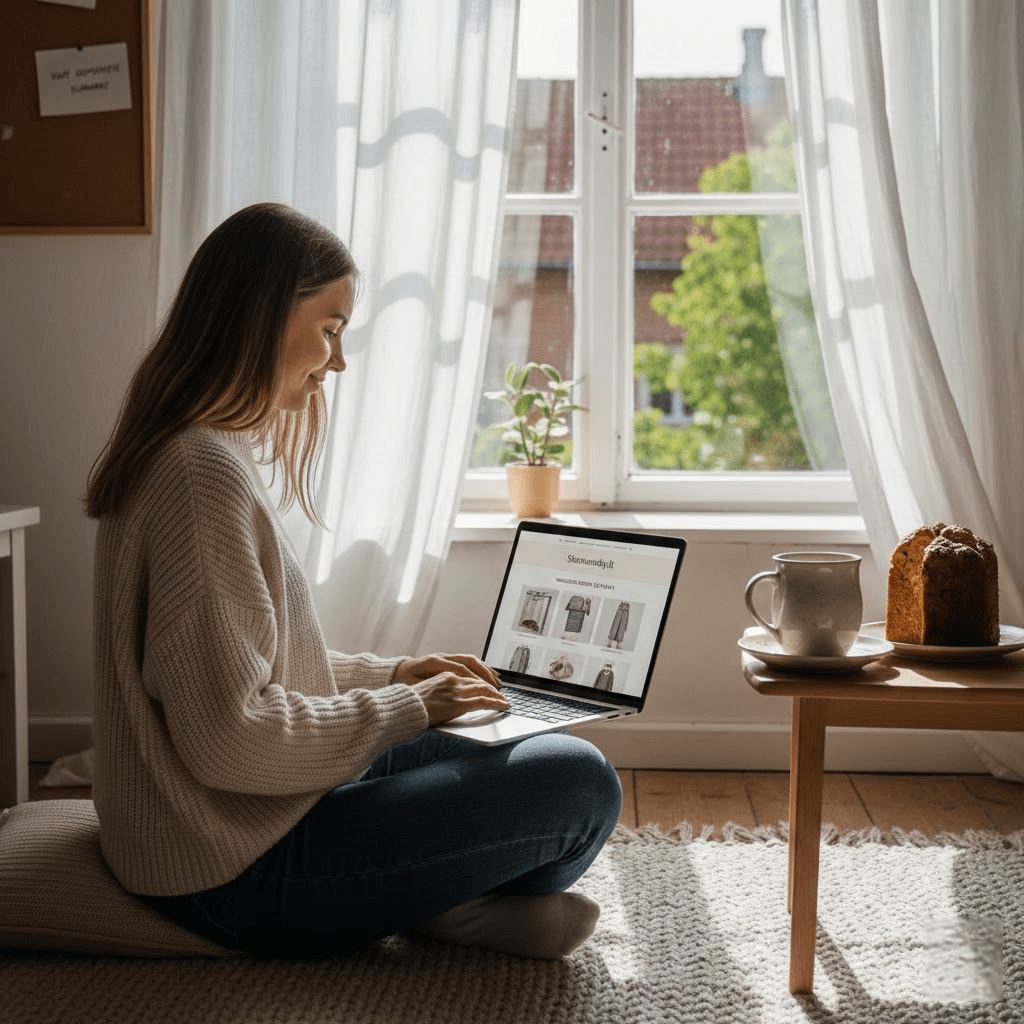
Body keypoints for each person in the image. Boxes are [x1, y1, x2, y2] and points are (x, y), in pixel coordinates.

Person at [83, 202, 621, 960]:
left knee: (507, 735)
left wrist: (399, 676)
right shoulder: (198, 476)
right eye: (331, 330)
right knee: (578, 783)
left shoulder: (200, 453)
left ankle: (435, 897)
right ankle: (450, 906)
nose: (337, 362)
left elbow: (246, 671)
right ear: (262, 318)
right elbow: (231, 742)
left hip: (250, 819)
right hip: (229, 870)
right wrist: (405, 707)